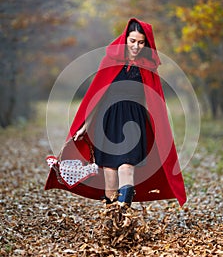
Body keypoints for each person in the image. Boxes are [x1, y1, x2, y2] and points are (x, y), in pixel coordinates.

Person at [45, 18, 186, 209]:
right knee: (110, 176)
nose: (136, 46)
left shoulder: (148, 66)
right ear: (125, 39)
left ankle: (124, 220)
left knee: (127, 167)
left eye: (141, 42)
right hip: (108, 121)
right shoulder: (110, 61)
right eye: (133, 41)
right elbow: (98, 96)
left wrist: (157, 129)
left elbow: (153, 100)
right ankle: (112, 225)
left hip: (134, 122)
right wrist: (85, 126)